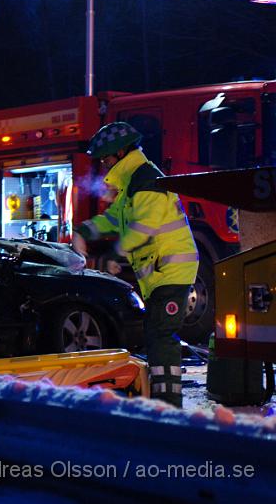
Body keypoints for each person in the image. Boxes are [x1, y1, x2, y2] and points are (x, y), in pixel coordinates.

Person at [72, 122, 198, 408]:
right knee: (156, 335)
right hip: (160, 273)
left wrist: (114, 255)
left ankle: (169, 403)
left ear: (120, 153)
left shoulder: (146, 180)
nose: (104, 165)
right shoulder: (133, 184)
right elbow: (114, 219)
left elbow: (144, 228)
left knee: (161, 335)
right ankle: (163, 399)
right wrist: (85, 231)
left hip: (171, 271)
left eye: (105, 158)